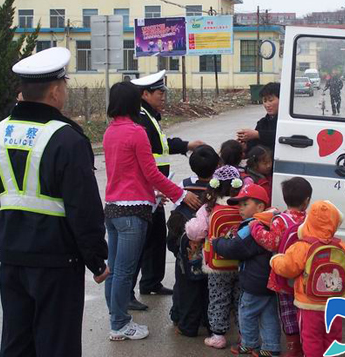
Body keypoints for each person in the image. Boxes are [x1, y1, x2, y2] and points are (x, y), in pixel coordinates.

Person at [0, 47, 109, 356]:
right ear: (54, 91)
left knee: (17, 341)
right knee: (57, 343)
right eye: (64, 85)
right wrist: (95, 257)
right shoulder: (67, 138)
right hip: (57, 261)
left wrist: (3, 240)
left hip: (12, 257)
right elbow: (84, 208)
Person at [103, 81, 200, 341]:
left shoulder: (110, 131)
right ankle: (120, 324)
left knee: (114, 268)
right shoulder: (136, 132)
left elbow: (126, 173)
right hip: (133, 212)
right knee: (124, 271)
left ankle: (116, 317)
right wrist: (179, 194)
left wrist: (153, 193)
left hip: (112, 208)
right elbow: (151, 172)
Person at [130, 71, 204, 304]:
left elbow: (161, 146)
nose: (163, 96)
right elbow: (147, 159)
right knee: (141, 242)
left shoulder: (150, 116)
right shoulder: (141, 119)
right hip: (150, 189)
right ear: (145, 94)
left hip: (157, 190)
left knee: (154, 239)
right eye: (160, 92)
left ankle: (151, 282)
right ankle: (129, 292)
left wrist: (187, 144)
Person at [271, 201, 345, 357]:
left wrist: (275, 260)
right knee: (333, 337)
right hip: (335, 304)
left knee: (311, 338)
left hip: (309, 304)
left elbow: (288, 268)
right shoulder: (342, 246)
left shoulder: (303, 246)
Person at [213, 184, 281, 357]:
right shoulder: (273, 222)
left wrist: (216, 242)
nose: (240, 208)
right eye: (239, 204)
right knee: (269, 314)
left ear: (260, 207)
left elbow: (234, 248)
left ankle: (249, 344)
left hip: (254, 281)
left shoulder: (252, 228)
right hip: (271, 280)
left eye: (245, 204)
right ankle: (271, 346)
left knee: (247, 313)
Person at [251, 177, 312, 357]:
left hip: (284, 274)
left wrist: (256, 228)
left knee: (287, 311)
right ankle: (305, 343)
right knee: (302, 310)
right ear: (307, 201)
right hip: (304, 274)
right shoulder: (310, 221)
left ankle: (293, 348)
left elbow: (271, 242)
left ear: (285, 199)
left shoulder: (280, 220)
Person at [185, 165, 243, 349]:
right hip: (242, 263)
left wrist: (190, 223)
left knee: (219, 298)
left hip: (217, 264)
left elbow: (196, 232)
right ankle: (245, 335)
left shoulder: (209, 207)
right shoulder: (244, 204)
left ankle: (218, 335)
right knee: (241, 300)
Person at [167, 145, 220, 337]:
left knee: (186, 284)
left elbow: (175, 209)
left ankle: (186, 323)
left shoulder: (184, 185)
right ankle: (211, 322)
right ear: (216, 165)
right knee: (210, 285)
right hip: (210, 245)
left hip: (186, 245)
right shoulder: (218, 187)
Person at [237, 82, 280, 155]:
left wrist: (258, 134)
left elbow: (279, 137)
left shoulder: (287, 121)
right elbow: (255, 144)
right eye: (264, 101)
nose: (267, 105)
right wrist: (245, 146)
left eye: (270, 100)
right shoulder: (262, 123)